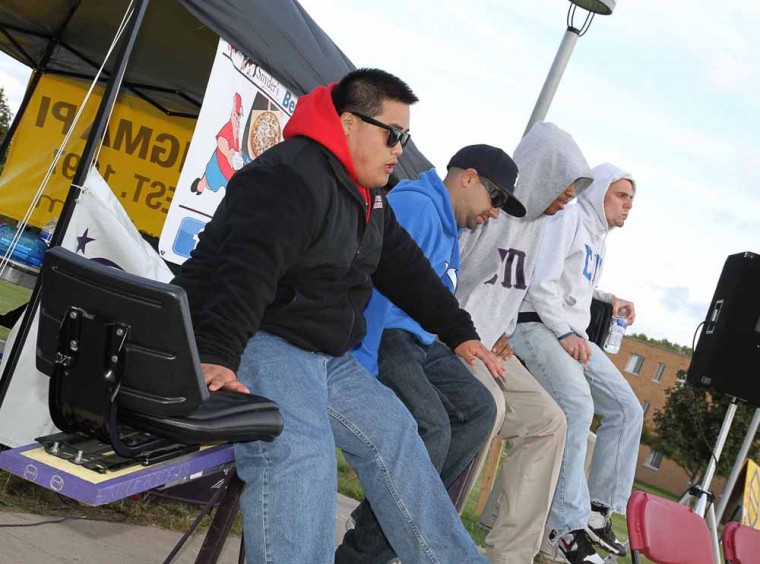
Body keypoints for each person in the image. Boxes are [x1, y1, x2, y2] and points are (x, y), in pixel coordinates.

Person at [173, 68, 502, 564]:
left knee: (397, 435)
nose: (400, 149)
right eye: (393, 135)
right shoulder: (290, 176)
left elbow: (405, 267)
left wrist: (458, 331)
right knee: (302, 456)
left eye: (406, 138)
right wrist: (218, 354)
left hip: (325, 355)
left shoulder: (367, 194)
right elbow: (244, 269)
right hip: (262, 337)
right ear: (349, 123)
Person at [337, 145, 525, 563]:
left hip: (418, 342)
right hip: (383, 338)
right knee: (432, 428)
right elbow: (378, 286)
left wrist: (464, 336)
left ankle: (393, 523)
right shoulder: (417, 207)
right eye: (496, 199)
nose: (495, 213)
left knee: (478, 409)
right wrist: (360, 369)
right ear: (469, 177)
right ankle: (364, 552)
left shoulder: (450, 230)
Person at [456, 122, 592, 563]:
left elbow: (512, 293)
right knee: (487, 410)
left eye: (574, 190)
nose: (569, 196)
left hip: (492, 348)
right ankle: (432, 538)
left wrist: (505, 332)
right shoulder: (486, 212)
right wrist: (467, 332)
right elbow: (449, 280)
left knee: (550, 422)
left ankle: (508, 557)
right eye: (565, 184)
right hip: (452, 340)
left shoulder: (542, 227)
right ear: (542, 171)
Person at [510, 162, 643, 564]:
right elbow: (541, 282)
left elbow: (575, 282)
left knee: (627, 409)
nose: (628, 206)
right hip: (536, 325)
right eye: (621, 195)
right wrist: (566, 334)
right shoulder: (568, 216)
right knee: (578, 405)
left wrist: (607, 297)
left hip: (571, 333)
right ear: (598, 190)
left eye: (632, 200)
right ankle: (565, 528)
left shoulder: (599, 236)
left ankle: (598, 511)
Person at [191, 92, 244, 195]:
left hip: (228, 163)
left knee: (234, 126)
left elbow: (221, 142)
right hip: (231, 169)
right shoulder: (212, 182)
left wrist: (228, 153)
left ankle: (236, 103)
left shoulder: (209, 170)